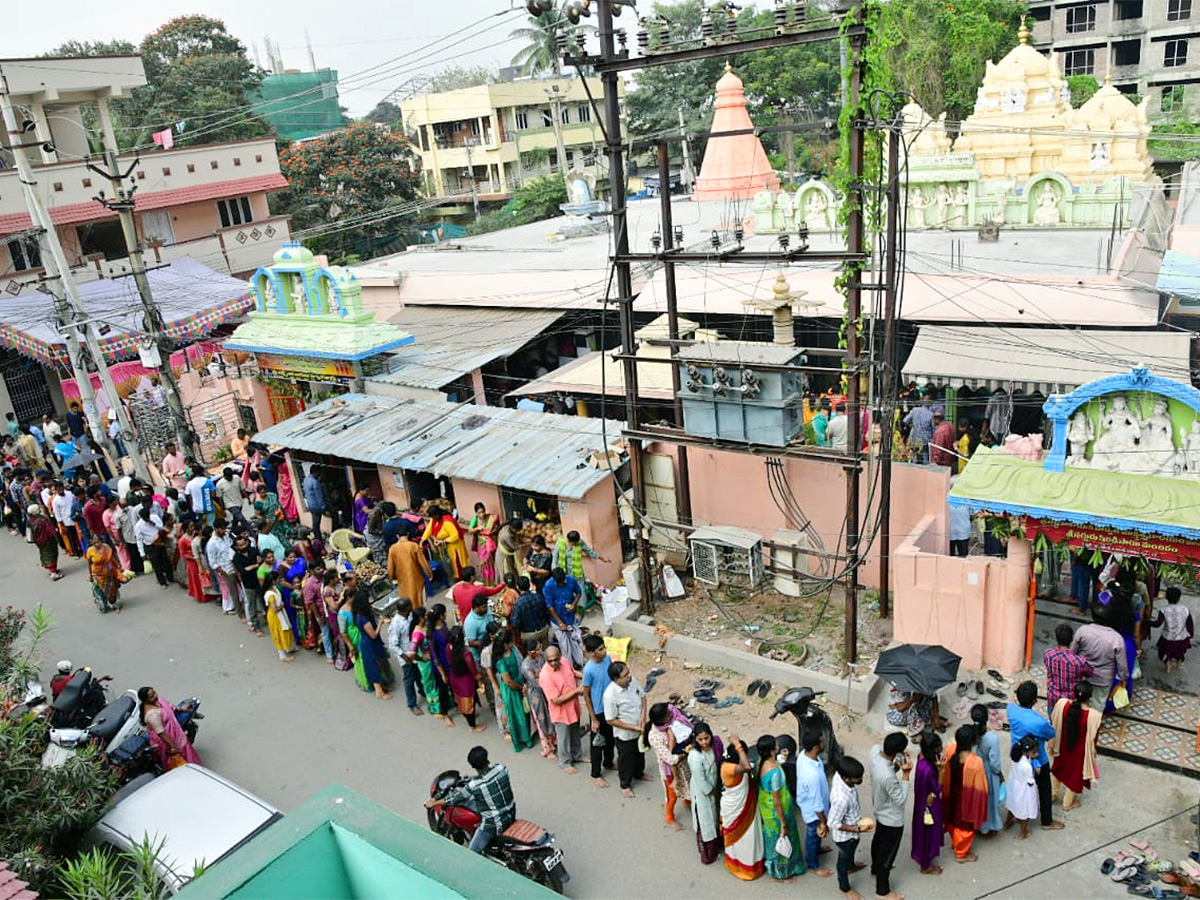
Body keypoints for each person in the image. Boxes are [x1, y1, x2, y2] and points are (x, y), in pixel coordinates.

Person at [424, 746, 515, 855]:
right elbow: (487, 779)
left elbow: (453, 799)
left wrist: (433, 803)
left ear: (472, 766)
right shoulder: (501, 769)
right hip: (511, 813)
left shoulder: (474, 785)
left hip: (494, 824)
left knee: (471, 853)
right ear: (487, 759)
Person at [1007, 680, 1064, 831]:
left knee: (1017, 785)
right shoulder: (1038, 722)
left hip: (1017, 755)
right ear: (1034, 701)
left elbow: (1012, 702)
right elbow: (1051, 733)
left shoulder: (1011, 710)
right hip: (1037, 759)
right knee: (1044, 790)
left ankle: (1014, 814)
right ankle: (1047, 821)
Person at [869, 731, 911, 898]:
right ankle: (883, 890)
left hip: (879, 808)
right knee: (887, 854)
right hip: (891, 818)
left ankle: (875, 868)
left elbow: (888, 768)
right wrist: (906, 774)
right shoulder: (887, 776)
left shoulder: (874, 752)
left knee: (878, 842)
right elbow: (900, 799)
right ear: (896, 753)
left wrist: (896, 766)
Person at [756, 733, 804, 879]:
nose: (778, 745)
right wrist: (783, 822)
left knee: (771, 838)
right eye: (776, 744)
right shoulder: (775, 773)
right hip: (776, 810)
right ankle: (782, 871)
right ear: (772, 750)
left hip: (765, 805)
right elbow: (777, 800)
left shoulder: (761, 762)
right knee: (782, 837)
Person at [1048, 681, 1101, 812]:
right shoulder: (1094, 716)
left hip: (1062, 744)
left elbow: (1054, 720)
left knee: (1058, 767)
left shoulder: (1062, 704)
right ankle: (1067, 803)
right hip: (1079, 751)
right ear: (1090, 697)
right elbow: (1094, 738)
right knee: (1074, 775)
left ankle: (1053, 795)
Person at [940, 724, 987, 862]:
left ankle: (955, 841)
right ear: (973, 742)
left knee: (952, 818)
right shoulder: (975, 762)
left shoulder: (950, 750)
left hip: (952, 792)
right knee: (965, 824)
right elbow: (980, 787)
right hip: (966, 797)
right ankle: (961, 853)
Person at [720, 735, 764, 881]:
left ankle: (750, 866)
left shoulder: (737, 768)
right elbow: (746, 766)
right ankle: (740, 867)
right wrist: (738, 744)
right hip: (735, 810)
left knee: (749, 838)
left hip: (746, 806)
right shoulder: (728, 768)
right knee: (740, 840)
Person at [603, 661, 647, 798]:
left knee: (640, 754)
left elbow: (643, 697)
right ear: (616, 679)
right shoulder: (610, 695)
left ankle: (639, 774)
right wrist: (633, 727)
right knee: (626, 759)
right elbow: (610, 719)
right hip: (625, 734)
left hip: (640, 729)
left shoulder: (632, 682)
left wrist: (643, 717)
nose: (629, 676)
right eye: (625, 675)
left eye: (629, 673)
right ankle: (625, 785)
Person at [829, 756, 871, 898]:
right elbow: (833, 822)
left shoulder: (840, 776)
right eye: (857, 778)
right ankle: (845, 887)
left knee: (850, 853)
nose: (861, 779)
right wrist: (858, 829)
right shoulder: (841, 799)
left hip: (853, 832)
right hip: (846, 837)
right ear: (846, 778)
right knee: (843, 860)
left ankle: (851, 866)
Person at [794, 726, 833, 878]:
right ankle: (813, 864)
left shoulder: (804, 756)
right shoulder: (812, 776)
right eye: (822, 741)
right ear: (816, 747)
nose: (824, 743)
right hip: (815, 813)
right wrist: (823, 822)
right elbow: (817, 805)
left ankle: (817, 849)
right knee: (813, 836)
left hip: (811, 805)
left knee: (815, 837)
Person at [540, 644, 586, 771]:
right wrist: (577, 692)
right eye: (550, 661)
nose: (554, 662)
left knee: (575, 733)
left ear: (560, 656)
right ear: (546, 660)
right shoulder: (545, 676)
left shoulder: (565, 661)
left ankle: (577, 756)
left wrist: (585, 676)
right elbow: (556, 700)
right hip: (561, 713)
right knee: (563, 738)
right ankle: (565, 763)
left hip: (573, 707)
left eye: (556, 659)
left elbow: (573, 673)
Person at [138, 686, 201, 770]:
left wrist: (179, 709)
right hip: (168, 740)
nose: (155, 696)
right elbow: (161, 733)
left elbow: (168, 706)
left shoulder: (157, 701)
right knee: (178, 758)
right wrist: (172, 747)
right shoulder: (152, 715)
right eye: (152, 696)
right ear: (145, 700)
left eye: (155, 693)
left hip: (176, 733)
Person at [582, 633, 615, 787]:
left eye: (604, 647)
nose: (604, 651)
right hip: (598, 711)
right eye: (600, 649)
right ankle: (596, 773)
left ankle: (608, 762)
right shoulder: (588, 670)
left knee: (610, 739)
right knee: (597, 743)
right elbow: (586, 695)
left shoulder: (607, 660)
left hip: (611, 707)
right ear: (592, 652)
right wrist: (593, 718)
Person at [494, 629, 536, 752]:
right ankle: (522, 739)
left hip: (520, 683)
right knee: (517, 714)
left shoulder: (513, 650)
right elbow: (508, 681)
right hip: (511, 690)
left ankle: (527, 734)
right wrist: (520, 687)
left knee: (525, 711)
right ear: (505, 644)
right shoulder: (500, 661)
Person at [688, 722, 724, 865]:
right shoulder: (695, 756)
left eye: (706, 738)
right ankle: (708, 855)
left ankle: (717, 845)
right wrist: (711, 791)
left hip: (714, 787)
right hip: (703, 793)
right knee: (705, 823)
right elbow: (700, 779)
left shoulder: (714, 746)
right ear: (695, 739)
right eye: (700, 739)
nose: (704, 742)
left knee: (714, 819)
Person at [910, 731, 945, 876]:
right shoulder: (931, 770)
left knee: (920, 830)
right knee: (929, 834)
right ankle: (926, 866)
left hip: (920, 801)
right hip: (930, 806)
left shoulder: (921, 758)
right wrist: (942, 771)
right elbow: (937, 789)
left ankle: (919, 855)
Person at [409, 607, 452, 725]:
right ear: (420, 618)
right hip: (428, 663)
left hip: (438, 658)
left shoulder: (430, 626)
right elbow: (411, 653)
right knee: (432, 686)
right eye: (425, 615)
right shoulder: (417, 633)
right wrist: (421, 658)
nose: (427, 616)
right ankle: (436, 708)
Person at [969, 704, 1004, 838]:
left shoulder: (969, 733)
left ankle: (976, 823)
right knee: (989, 800)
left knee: (976, 798)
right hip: (987, 772)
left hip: (973, 770)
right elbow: (995, 763)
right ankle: (987, 827)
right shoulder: (992, 738)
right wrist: (999, 774)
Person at [519, 638, 557, 758]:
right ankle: (547, 747)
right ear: (530, 652)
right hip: (537, 694)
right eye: (538, 649)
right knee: (542, 720)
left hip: (547, 689)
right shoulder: (526, 666)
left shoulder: (541, 657)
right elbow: (536, 682)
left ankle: (555, 740)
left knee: (552, 715)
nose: (540, 651)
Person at [553, 530, 608, 610]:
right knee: (567, 591)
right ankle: (570, 608)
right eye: (574, 543)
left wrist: (601, 558)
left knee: (581, 591)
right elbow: (555, 559)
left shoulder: (580, 543)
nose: (575, 544)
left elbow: (589, 551)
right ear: (569, 540)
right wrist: (555, 573)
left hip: (577, 572)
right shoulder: (560, 543)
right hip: (564, 573)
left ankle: (581, 609)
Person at [1044, 622, 1093, 711]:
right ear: (1071, 639)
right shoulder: (1079, 661)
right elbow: (1090, 673)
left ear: (1056, 638)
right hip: (1071, 700)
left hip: (1053, 697)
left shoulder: (1048, 655)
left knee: (1053, 722)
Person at [543, 567, 584, 668]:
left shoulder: (571, 580)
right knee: (565, 646)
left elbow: (579, 593)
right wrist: (560, 622)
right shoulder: (548, 586)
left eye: (562, 582)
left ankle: (579, 663)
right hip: (557, 620)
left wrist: (574, 604)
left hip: (570, 617)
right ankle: (569, 667)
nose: (561, 584)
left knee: (575, 641)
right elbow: (550, 606)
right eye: (559, 582)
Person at [447, 626, 485, 728]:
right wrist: (481, 679)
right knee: (469, 702)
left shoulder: (448, 647)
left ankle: (469, 716)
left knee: (461, 700)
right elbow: (473, 671)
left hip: (454, 678)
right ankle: (472, 726)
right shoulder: (466, 654)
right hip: (466, 681)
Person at [1004, 736, 1041, 839]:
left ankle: (1007, 823)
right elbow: (1030, 781)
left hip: (1014, 784)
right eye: (1034, 752)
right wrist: (1035, 771)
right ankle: (1023, 832)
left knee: (1012, 804)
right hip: (1023, 789)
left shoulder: (1016, 757)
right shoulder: (1027, 767)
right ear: (1027, 752)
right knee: (1025, 810)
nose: (1036, 754)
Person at [1154, 585, 1194, 673]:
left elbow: (1158, 624)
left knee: (1165, 651)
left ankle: (1168, 664)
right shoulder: (1185, 609)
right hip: (1182, 637)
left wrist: (1147, 622)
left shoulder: (1164, 610)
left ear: (1167, 597)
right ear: (1179, 597)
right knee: (1180, 652)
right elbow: (1190, 624)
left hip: (1168, 637)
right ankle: (1180, 662)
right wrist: (1190, 634)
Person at [387, 532, 432, 609]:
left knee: (408, 603)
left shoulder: (392, 549)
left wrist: (392, 578)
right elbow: (423, 563)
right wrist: (429, 574)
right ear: (407, 534)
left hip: (402, 581)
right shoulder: (413, 545)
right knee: (420, 601)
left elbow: (390, 568)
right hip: (417, 579)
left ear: (397, 536)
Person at [263, 570, 297, 663]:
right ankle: (282, 656)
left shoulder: (274, 588)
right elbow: (274, 609)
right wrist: (281, 605)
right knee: (279, 633)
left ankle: (289, 648)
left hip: (281, 614)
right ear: (273, 581)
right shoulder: (270, 595)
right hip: (276, 616)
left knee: (287, 630)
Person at [510, 576, 551, 651]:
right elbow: (546, 611)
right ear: (529, 585)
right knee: (546, 651)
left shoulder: (519, 604)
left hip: (529, 634)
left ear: (518, 587)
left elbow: (515, 624)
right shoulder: (539, 597)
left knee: (532, 654)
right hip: (543, 629)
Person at [136, 507, 172, 588]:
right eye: (145, 518)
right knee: (157, 565)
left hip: (160, 542)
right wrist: (142, 553)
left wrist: (153, 524)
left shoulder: (155, 517)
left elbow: (162, 527)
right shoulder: (138, 526)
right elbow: (139, 539)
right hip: (150, 545)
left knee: (166, 561)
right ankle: (162, 582)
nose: (147, 519)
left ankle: (170, 577)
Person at [86, 538, 123, 613]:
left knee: (112, 587)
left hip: (109, 571)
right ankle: (107, 602)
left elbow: (112, 558)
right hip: (98, 573)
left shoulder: (106, 548)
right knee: (105, 589)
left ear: (101, 541)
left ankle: (113, 603)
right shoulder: (90, 551)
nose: (97, 544)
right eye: (95, 543)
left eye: (98, 542)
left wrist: (118, 566)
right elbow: (89, 564)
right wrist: (91, 576)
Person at [467, 503, 499, 584]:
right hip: (481, 545)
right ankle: (488, 582)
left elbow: (497, 527)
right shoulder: (475, 519)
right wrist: (478, 528)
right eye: (479, 513)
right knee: (484, 563)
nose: (482, 514)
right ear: (476, 513)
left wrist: (492, 531)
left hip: (490, 543)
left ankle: (495, 581)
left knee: (492, 562)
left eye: (483, 512)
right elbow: (470, 531)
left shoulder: (490, 517)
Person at [29, 503, 62, 580]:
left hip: (39, 542)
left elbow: (29, 534)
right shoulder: (43, 519)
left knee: (45, 554)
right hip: (48, 540)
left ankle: (52, 570)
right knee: (52, 554)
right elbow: (50, 529)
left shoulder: (30, 521)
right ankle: (53, 572)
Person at [177, 519, 204, 603]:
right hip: (191, 561)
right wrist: (193, 557)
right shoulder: (182, 540)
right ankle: (199, 595)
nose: (193, 528)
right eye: (191, 526)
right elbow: (183, 553)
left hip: (199, 557)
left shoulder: (195, 535)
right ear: (186, 528)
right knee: (196, 578)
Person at [301, 466, 326, 536]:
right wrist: (323, 507)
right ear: (316, 472)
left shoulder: (305, 480)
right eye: (319, 472)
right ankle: (317, 538)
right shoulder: (315, 482)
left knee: (315, 522)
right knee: (316, 523)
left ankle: (316, 536)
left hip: (310, 504)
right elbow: (319, 496)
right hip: (316, 506)